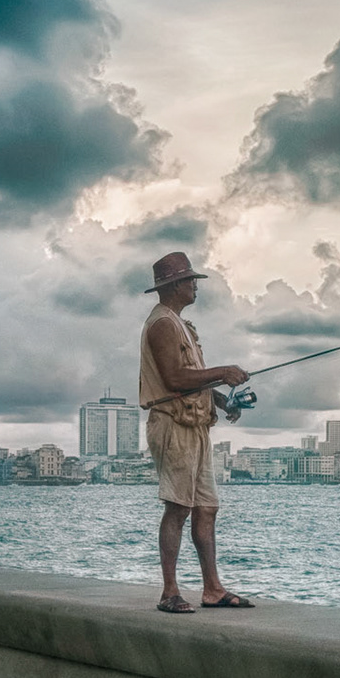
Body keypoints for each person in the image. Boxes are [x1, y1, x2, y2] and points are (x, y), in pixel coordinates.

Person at [139, 251, 256, 613]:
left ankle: (212, 589)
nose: (195, 286)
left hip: (195, 428)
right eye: (190, 281)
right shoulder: (162, 324)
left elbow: (190, 381)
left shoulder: (180, 324)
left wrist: (222, 402)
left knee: (206, 509)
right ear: (174, 286)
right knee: (178, 508)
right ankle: (169, 592)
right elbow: (174, 378)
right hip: (173, 427)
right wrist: (223, 371)